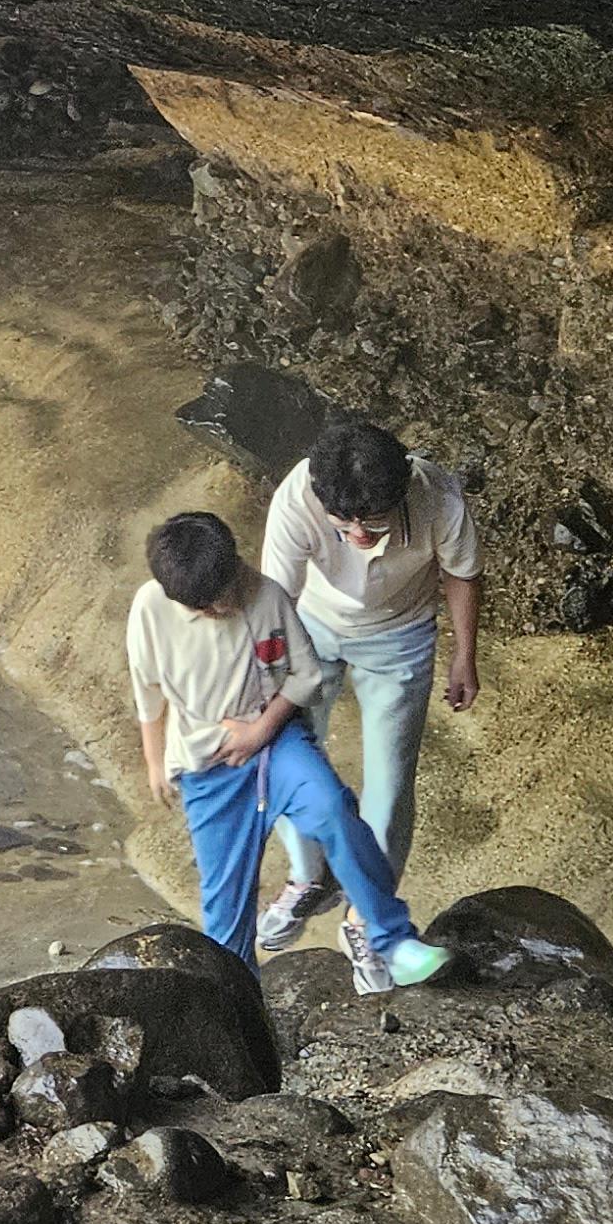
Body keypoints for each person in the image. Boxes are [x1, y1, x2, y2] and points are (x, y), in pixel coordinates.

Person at [128, 509, 450, 989]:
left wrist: (261, 730)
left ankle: (391, 939)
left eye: (225, 591)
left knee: (334, 808)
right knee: (224, 911)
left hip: (277, 743)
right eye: (207, 606)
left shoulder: (266, 596)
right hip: (208, 765)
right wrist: (155, 762)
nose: (223, 606)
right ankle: (241, 1002)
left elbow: (307, 675)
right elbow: (147, 690)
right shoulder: (149, 609)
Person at [255, 412, 483, 979]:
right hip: (310, 625)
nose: (358, 537)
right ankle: (309, 876)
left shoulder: (438, 499)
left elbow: (461, 573)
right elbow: (275, 603)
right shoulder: (297, 499)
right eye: (344, 525)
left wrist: (463, 654)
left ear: (402, 492)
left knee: (390, 780)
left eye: (374, 524)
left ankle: (366, 918)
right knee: (286, 754)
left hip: (400, 633)